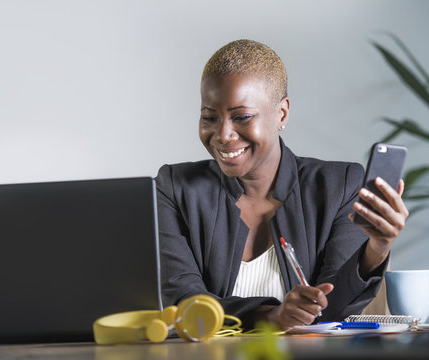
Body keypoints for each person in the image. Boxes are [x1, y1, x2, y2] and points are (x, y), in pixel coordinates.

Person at [156, 39, 409, 330]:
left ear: (282, 114)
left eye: (242, 117)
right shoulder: (176, 188)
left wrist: (377, 247)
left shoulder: (339, 186)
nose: (223, 134)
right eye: (209, 117)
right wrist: (271, 316)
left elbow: (332, 309)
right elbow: (185, 301)